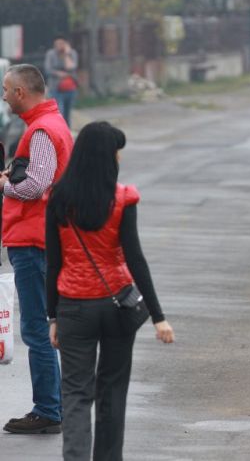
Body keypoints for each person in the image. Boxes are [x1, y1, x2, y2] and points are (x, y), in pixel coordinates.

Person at [46, 121, 175, 460]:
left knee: (75, 392)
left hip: (73, 305)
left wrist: (52, 315)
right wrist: (158, 317)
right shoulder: (122, 199)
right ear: (108, 157)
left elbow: (54, 262)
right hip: (117, 305)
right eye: (117, 152)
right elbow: (136, 259)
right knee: (112, 390)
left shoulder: (59, 198)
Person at [1, 64, 73, 434]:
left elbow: (35, 185)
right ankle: (53, 406)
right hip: (41, 238)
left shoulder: (42, 130)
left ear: (20, 93)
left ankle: (47, 410)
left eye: (6, 89)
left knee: (36, 330)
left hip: (33, 240)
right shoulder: (52, 123)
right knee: (45, 328)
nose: (3, 96)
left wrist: (4, 187)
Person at [44, 36, 79, 127]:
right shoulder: (51, 54)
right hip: (56, 87)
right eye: (57, 44)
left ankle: (67, 132)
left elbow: (71, 67)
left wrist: (67, 54)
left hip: (70, 87)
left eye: (61, 43)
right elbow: (48, 69)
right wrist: (58, 73)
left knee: (68, 112)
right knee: (59, 111)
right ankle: (59, 130)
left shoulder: (72, 53)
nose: (59, 46)